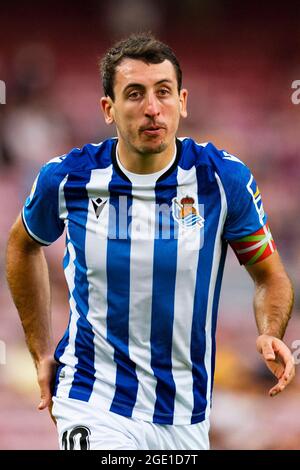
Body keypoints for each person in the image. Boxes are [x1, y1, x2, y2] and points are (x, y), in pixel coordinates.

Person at [6, 33, 295, 451]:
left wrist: (270, 331)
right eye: (135, 94)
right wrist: (40, 353)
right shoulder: (70, 178)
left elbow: (270, 277)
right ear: (109, 108)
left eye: (163, 92)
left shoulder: (222, 180)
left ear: (183, 101)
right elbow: (22, 245)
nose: (152, 108)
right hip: (91, 397)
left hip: (185, 415)